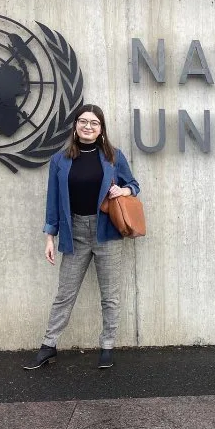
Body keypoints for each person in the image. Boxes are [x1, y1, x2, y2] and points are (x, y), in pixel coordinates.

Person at [23, 104, 140, 370]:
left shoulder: (113, 157)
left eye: (94, 123)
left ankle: (107, 347)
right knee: (65, 293)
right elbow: (53, 200)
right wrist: (49, 238)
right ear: (75, 126)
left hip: (107, 232)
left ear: (101, 130)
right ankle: (48, 346)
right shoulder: (60, 160)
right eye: (83, 122)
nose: (88, 126)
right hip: (74, 232)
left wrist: (122, 191)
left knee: (110, 295)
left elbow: (134, 185)